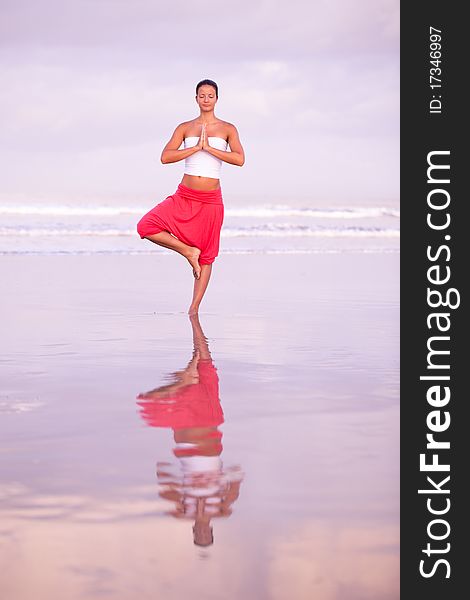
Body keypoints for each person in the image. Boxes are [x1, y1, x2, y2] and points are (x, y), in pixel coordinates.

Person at [137, 79, 245, 315]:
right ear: (196, 98)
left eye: (210, 95)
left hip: (211, 200)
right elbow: (165, 157)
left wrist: (210, 148)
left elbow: (239, 159)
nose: (206, 99)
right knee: (146, 225)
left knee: (207, 254)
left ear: (217, 99)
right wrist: (195, 148)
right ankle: (188, 251)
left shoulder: (228, 128)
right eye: (202, 95)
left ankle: (193, 309)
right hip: (185, 194)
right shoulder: (185, 127)